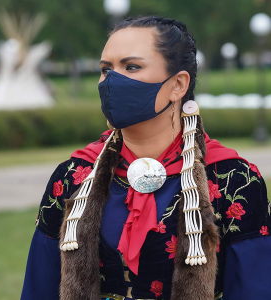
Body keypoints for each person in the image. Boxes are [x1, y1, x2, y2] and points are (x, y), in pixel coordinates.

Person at [21, 16, 271, 300]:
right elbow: (39, 287)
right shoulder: (74, 175)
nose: (112, 81)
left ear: (178, 84)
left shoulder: (232, 180)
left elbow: (254, 289)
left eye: (131, 67)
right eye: (106, 69)